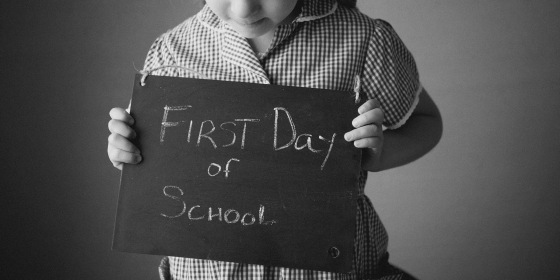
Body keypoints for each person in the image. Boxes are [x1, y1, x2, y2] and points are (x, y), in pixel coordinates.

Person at [107, 0, 443, 279]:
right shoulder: (172, 50)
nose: (243, 8)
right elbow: (151, 157)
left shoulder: (363, 40)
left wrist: (376, 155)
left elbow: (426, 123)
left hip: (333, 269)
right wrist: (127, 151)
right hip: (204, 270)